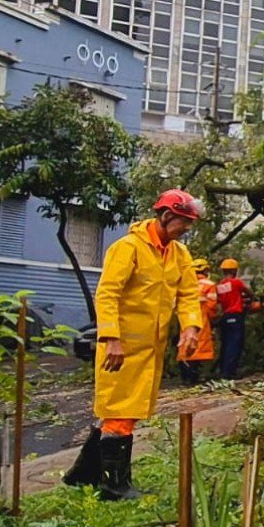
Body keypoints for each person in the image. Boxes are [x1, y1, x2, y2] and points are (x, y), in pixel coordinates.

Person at [63, 190, 204, 500]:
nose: (187, 229)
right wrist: (111, 338)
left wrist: (191, 327)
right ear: (167, 216)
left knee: (126, 410)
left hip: (151, 349)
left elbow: (189, 295)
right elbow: (108, 293)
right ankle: (115, 486)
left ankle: (82, 475)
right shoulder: (128, 249)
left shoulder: (179, 255)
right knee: (119, 413)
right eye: (185, 222)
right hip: (121, 349)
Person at [214, 258, 255, 380]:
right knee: (235, 345)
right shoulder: (236, 283)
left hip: (225, 317)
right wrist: (251, 300)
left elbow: (220, 300)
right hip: (236, 317)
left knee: (226, 344)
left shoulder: (220, 286)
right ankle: (230, 373)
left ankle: (223, 370)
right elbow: (249, 293)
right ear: (234, 270)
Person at [179, 258, 218, 384]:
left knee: (185, 344)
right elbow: (212, 305)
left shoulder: (185, 284)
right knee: (200, 347)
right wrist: (213, 319)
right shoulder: (209, 285)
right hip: (202, 320)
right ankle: (195, 377)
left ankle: (186, 377)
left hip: (185, 320)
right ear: (205, 270)